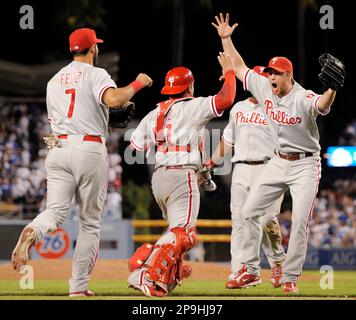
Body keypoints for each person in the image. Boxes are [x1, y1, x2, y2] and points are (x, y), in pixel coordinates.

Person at [11, 28, 153, 297]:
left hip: (57, 147)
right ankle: (78, 288)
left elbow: (67, 117)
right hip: (88, 147)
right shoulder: (96, 74)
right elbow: (113, 99)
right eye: (96, 46)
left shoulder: (53, 81)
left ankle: (34, 229)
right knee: (89, 223)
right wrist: (138, 84)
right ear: (92, 49)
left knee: (54, 212)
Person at [212, 13, 340, 293]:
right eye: (269, 72)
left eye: (275, 73)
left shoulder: (302, 97)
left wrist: (332, 88)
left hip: (306, 165)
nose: (270, 76)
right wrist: (226, 38)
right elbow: (240, 65)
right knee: (247, 212)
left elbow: (322, 105)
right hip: (278, 162)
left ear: (288, 75)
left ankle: (290, 278)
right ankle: (249, 269)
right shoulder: (262, 86)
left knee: (299, 223)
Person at [127, 52, 236, 297]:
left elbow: (135, 146)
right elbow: (226, 98)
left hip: (159, 179)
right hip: (181, 176)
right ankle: (142, 270)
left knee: (178, 235)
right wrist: (229, 71)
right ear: (190, 86)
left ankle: (164, 278)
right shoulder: (192, 106)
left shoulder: (154, 113)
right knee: (183, 234)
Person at [208, 66, 286, 289]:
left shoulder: (276, 108)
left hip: (269, 167)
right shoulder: (238, 109)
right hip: (241, 168)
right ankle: (241, 271)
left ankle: (277, 261)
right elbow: (228, 141)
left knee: (266, 219)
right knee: (240, 222)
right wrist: (211, 162)